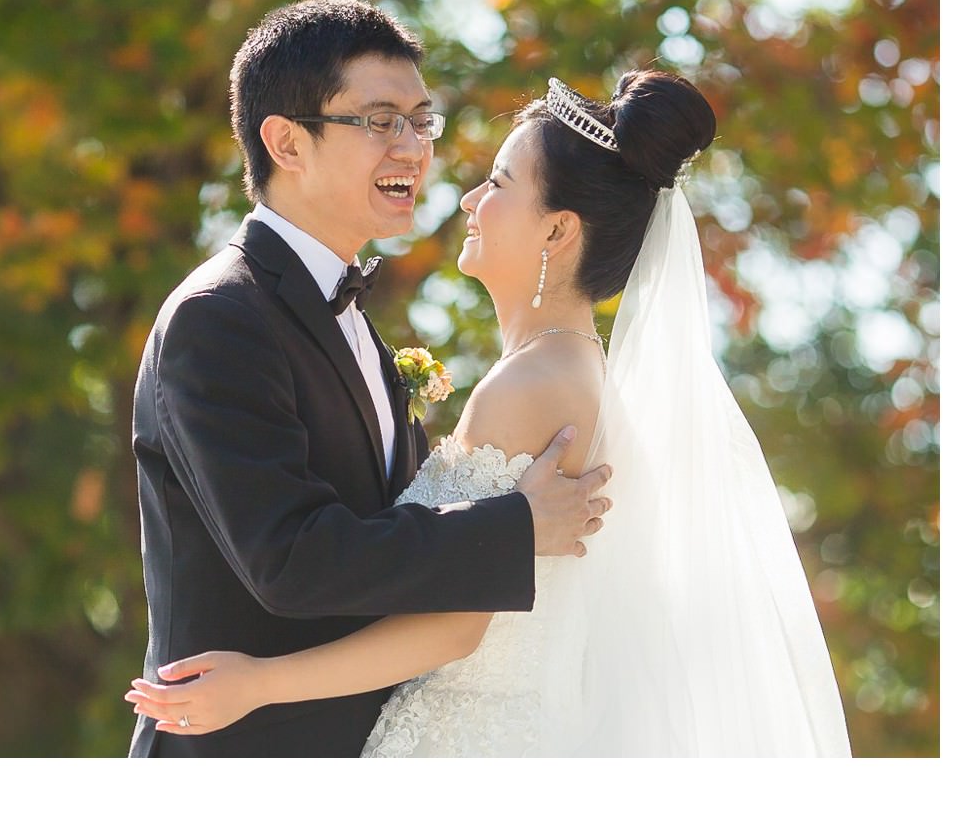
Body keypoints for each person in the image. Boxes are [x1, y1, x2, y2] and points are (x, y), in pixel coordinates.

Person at [127, 69, 853, 757]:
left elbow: (452, 627)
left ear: (557, 231)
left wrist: (258, 683)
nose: (470, 199)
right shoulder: (576, 373)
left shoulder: (531, 388)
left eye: (500, 183)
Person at [127, 0, 613, 758]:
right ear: (287, 141)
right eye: (380, 121)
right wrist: (515, 526)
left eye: (422, 121)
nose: (414, 148)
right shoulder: (220, 316)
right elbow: (290, 559)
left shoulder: (353, 323)